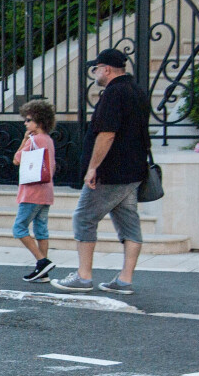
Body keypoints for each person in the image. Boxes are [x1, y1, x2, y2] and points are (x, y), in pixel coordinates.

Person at [52, 47, 148, 295]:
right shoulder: (137, 91)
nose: (94, 72)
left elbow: (107, 134)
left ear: (106, 69)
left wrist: (92, 167)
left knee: (83, 218)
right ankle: (125, 280)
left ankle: (84, 276)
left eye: (95, 68)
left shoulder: (114, 93)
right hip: (134, 171)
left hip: (111, 172)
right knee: (129, 224)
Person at [12, 99, 57, 282]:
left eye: (28, 120)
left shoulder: (34, 140)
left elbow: (16, 159)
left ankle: (41, 261)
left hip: (31, 192)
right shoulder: (48, 139)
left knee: (19, 228)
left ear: (38, 122)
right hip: (46, 191)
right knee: (41, 230)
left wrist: (24, 139)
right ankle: (43, 272)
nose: (25, 123)